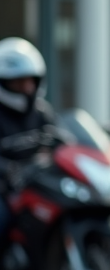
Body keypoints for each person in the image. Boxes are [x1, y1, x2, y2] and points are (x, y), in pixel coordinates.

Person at [0, 37, 57, 243]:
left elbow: (59, 139)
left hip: (38, 187)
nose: (27, 88)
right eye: (19, 81)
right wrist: (8, 168)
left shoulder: (42, 112)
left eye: (31, 80)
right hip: (6, 191)